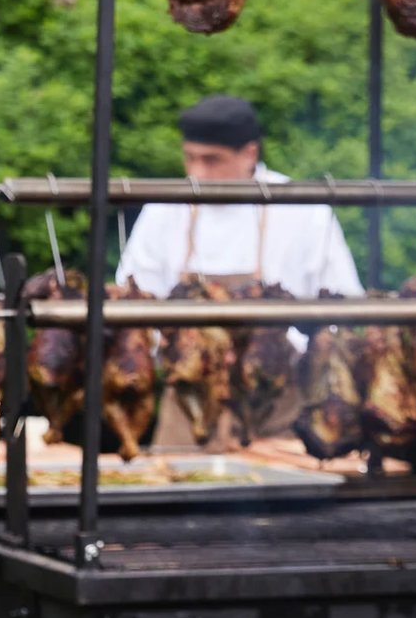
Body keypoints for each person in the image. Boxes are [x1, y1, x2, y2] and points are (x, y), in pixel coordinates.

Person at [115, 94, 363, 448]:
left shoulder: (301, 208)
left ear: (250, 153)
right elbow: (134, 308)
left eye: (213, 160)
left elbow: (342, 310)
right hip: (188, 412)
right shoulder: (164, 207)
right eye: (191, 159)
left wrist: (268, 348)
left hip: (277, 411)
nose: (198, 173)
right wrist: (189, 353)